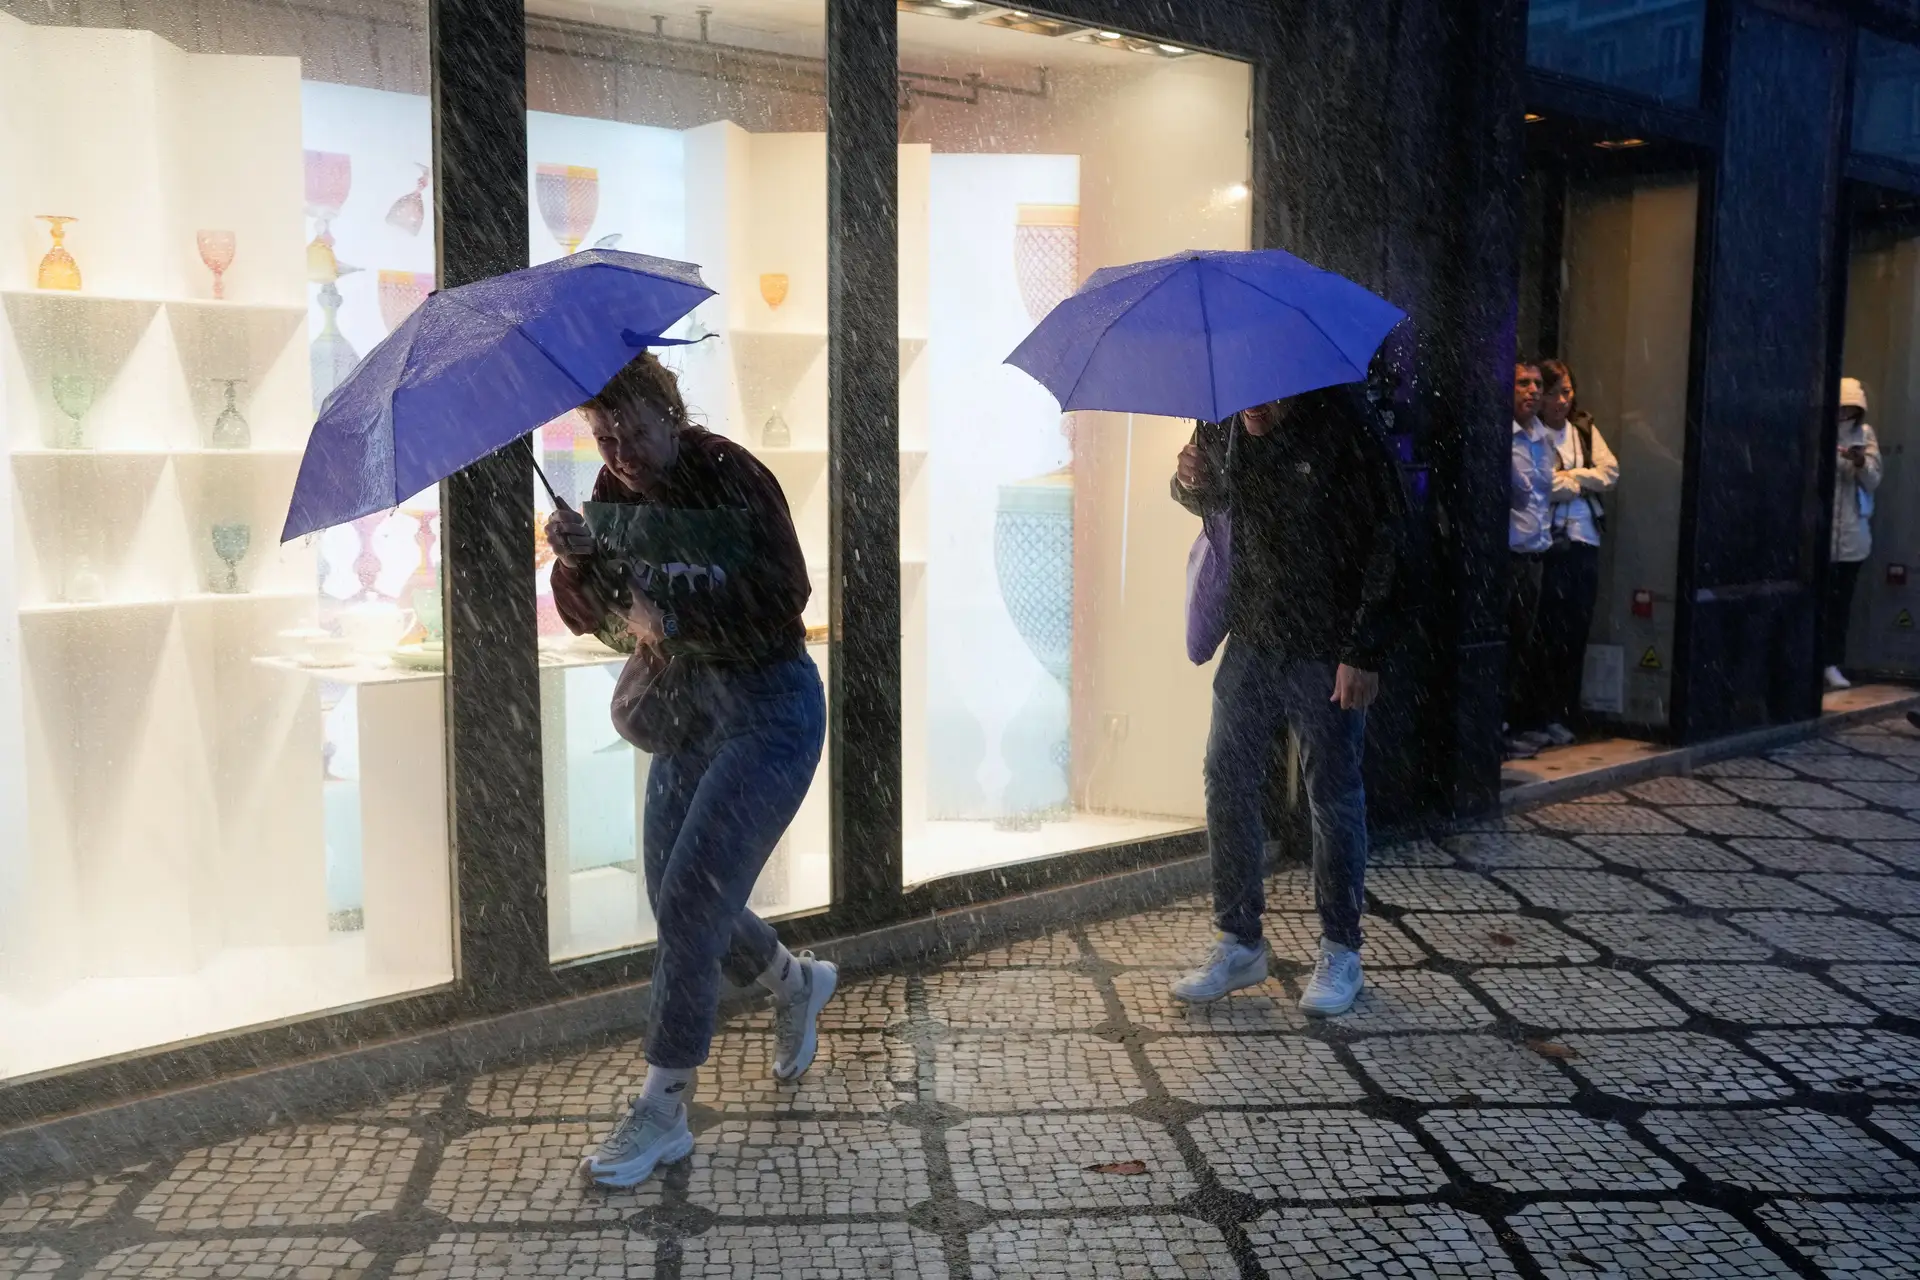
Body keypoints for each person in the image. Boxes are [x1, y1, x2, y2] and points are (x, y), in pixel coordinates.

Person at [545, 351, 833, 1189]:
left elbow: (786, 591)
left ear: (671, 415)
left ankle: (664, 1107)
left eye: (635, 429)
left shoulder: (730, 474)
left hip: (770, 710)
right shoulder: (608, 499)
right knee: (678, 899)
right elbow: (592, 616)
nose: (621, 450)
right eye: (604, 435)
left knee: (690, 902)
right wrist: (574, 562)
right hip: (686, 712)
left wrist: (672, 613)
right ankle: (793, 980)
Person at [1167, 383, 1408, 1017]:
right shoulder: (1217, 412)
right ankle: (1240, 941)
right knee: (1228, 776)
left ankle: (1341, 948)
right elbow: (1214, 505)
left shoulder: (1342, 418)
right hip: (1252, 633)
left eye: (1266, 397)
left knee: (1330, 792)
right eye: (1244, 397)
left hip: (1325, 642)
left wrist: (1365, 649)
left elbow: (1392, 532)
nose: (1253, 408)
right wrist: (1189, 480)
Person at [1532, 359, 1617, 745]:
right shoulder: (1532, 434)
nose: (1563, 400)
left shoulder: (1582, 428)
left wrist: (1572, 478)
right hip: (1548, 542)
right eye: (1555, 393)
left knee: (1576, 630)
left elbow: (1610, 473)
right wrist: (1577, 482)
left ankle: (1566, 711)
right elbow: (1542, 486)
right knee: (1545, 632)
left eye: (1567, 391)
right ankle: (1541, 713)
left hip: (1584, 540)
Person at [1506, 360, 1555, 759]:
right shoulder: (1504, 439)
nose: (1533, 391)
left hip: (1536, 554)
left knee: (1522, 645)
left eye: (1538, 384)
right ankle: (1499, 730)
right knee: (1505, 645)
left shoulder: (1543, 437)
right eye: (1523, 383)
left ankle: (1511, 724)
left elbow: (1541, 495)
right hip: (1508, 558)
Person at [1825, 377, 1882, 691]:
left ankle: (1831, 661)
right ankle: (1812, 659)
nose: (1845, 413)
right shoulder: (1819, 430)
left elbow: (1874, 479)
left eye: (1850, 408)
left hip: (1852, 534)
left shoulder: (1865, 434)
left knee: (1840, 603)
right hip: (1820, 533)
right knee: (1817, 602)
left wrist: (1859, 462)